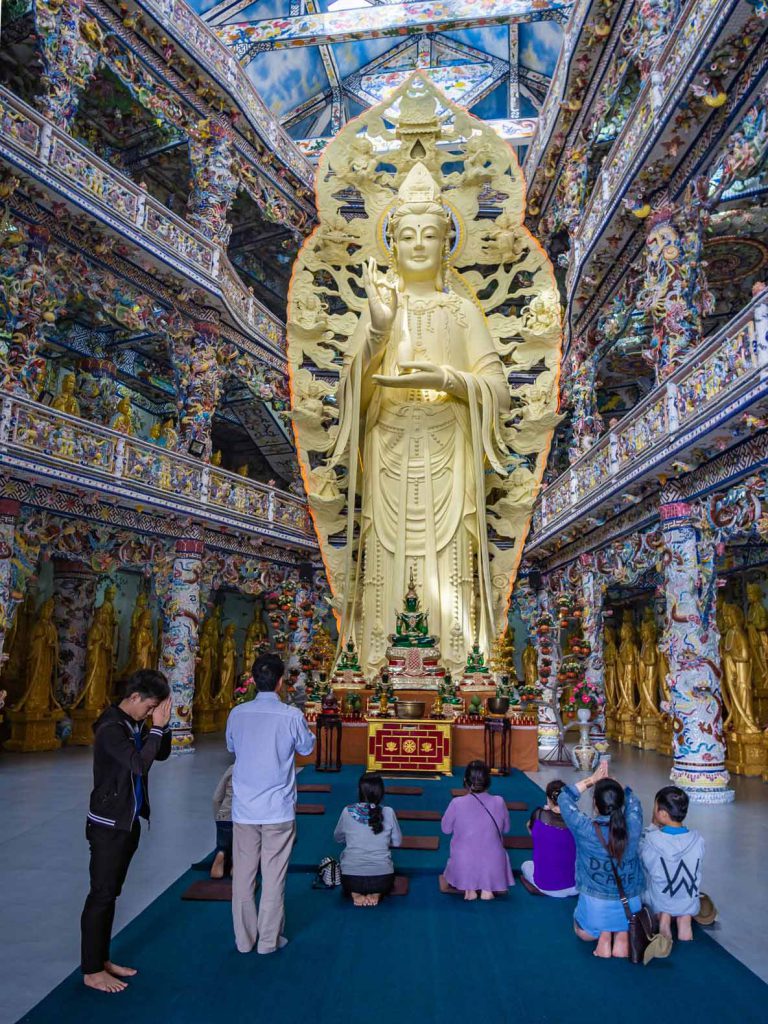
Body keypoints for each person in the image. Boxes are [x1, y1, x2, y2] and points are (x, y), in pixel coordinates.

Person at [80, 670, 172, 993]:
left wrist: (164, 725)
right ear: (134, 697)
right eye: (149, 707)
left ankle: (101, 959)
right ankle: (91, 970)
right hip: (108, 825)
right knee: (101, 895)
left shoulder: (133, 723)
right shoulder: (110, 728)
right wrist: (156, 728)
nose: (150, 714)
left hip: (128, 821)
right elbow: (138, 764)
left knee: (111, 894)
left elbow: (160, 752)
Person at [226, 652, 315, 954]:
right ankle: (267, 941)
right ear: (280, 683)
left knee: (243, 875)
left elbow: (232, 746)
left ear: (253, 680)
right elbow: (305, 747)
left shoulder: (237, 714)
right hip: (277, 807)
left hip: (244, 807)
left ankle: (243, 939)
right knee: (274, 876)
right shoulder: (291, 716)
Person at [557, 760, 645, 958]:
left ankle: (604, 936)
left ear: (595, 804)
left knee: (581, 930)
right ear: (620, 803)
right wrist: (619, 786)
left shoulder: (585, 828)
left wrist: (592, 779)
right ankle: (621, 935)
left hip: (595, 911)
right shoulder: (633, 825)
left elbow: (564, 798)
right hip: (631, 909)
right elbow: (634, 803)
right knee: (620, 910)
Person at [440, 760, 514, 900]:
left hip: (463, 863)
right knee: (491, 853)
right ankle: (487, 887)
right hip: (494, 864)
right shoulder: (499, 801)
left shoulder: (456, 803)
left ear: (465, 781)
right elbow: (506, 829)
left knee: (461, 854)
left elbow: (445, 829)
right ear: (488, 781)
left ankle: (470, 887)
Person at [640, 786, 705, 942]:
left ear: (662, 814)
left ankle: (664, 919)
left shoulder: (652, 839)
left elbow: (645, 864)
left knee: (648, 873)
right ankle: (685, 921)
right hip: (689, 901)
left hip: (660, 900)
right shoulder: (698, 839)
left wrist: (653, 826)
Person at [333, 772, 403, 906]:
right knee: (383, 879)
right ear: (382, 793)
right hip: (382, 879)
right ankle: (376, 893)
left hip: (350, 878)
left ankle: (355, 893)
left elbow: (337, 837)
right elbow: (397, 842)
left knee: (349, 877)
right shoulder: (388, 812)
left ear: (359, 792)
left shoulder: (347, 811)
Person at [520, 779, 577, 897]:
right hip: (574, 887)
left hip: (546, 886)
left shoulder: (539, 814)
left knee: (526, 865)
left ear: (548, 799)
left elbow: (530, 829)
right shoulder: (576, 819)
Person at [211, 764, 234, 879]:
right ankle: (237, 863)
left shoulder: (232, 768)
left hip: (224, 817)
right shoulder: (258, 770)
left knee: (222, 845)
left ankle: (221, 853)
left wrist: (218, 818)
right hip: (244, 818)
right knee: (243, 847)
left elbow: (216, 798)